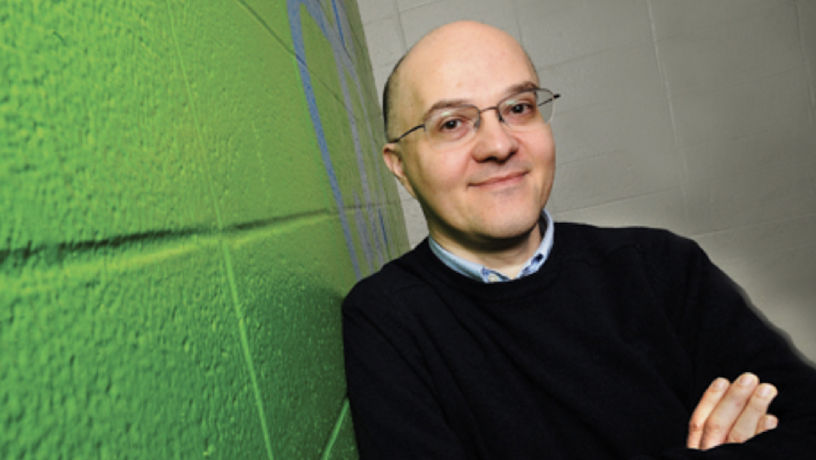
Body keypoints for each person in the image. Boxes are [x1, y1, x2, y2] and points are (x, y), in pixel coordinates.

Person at [342, 21, 816, 459]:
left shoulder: (661, 267)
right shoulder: (387, 321)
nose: (499, 145)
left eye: (519, 107)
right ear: (400, 166)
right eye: (451, 123)